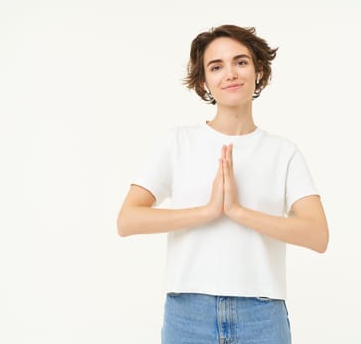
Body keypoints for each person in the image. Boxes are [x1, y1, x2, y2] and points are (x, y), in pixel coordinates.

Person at [117, 24, 329, 344]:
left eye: (240, 62)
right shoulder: (177, 143)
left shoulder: (283, 152)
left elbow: (318, 235)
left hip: (262, 314)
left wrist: (239, 212)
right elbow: (128, 220)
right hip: (188, 312)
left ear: (258, 71)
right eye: (216, 67)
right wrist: (208, 211)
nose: (229, 73)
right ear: (204, 82)